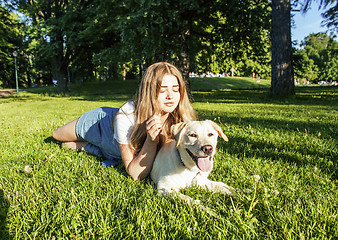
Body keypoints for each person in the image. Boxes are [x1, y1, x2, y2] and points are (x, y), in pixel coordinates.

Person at [52, 62, 196, 180]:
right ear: (149, 91)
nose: (170, 96)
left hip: (115, 146)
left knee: (112, 152)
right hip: (100, 125)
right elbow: (135, 174)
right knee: (57, 136)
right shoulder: (127, 115)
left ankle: (90, 147)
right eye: (163, 90)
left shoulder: (182, 118)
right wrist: (151, 141)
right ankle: (90, 143)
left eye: (175, 89)